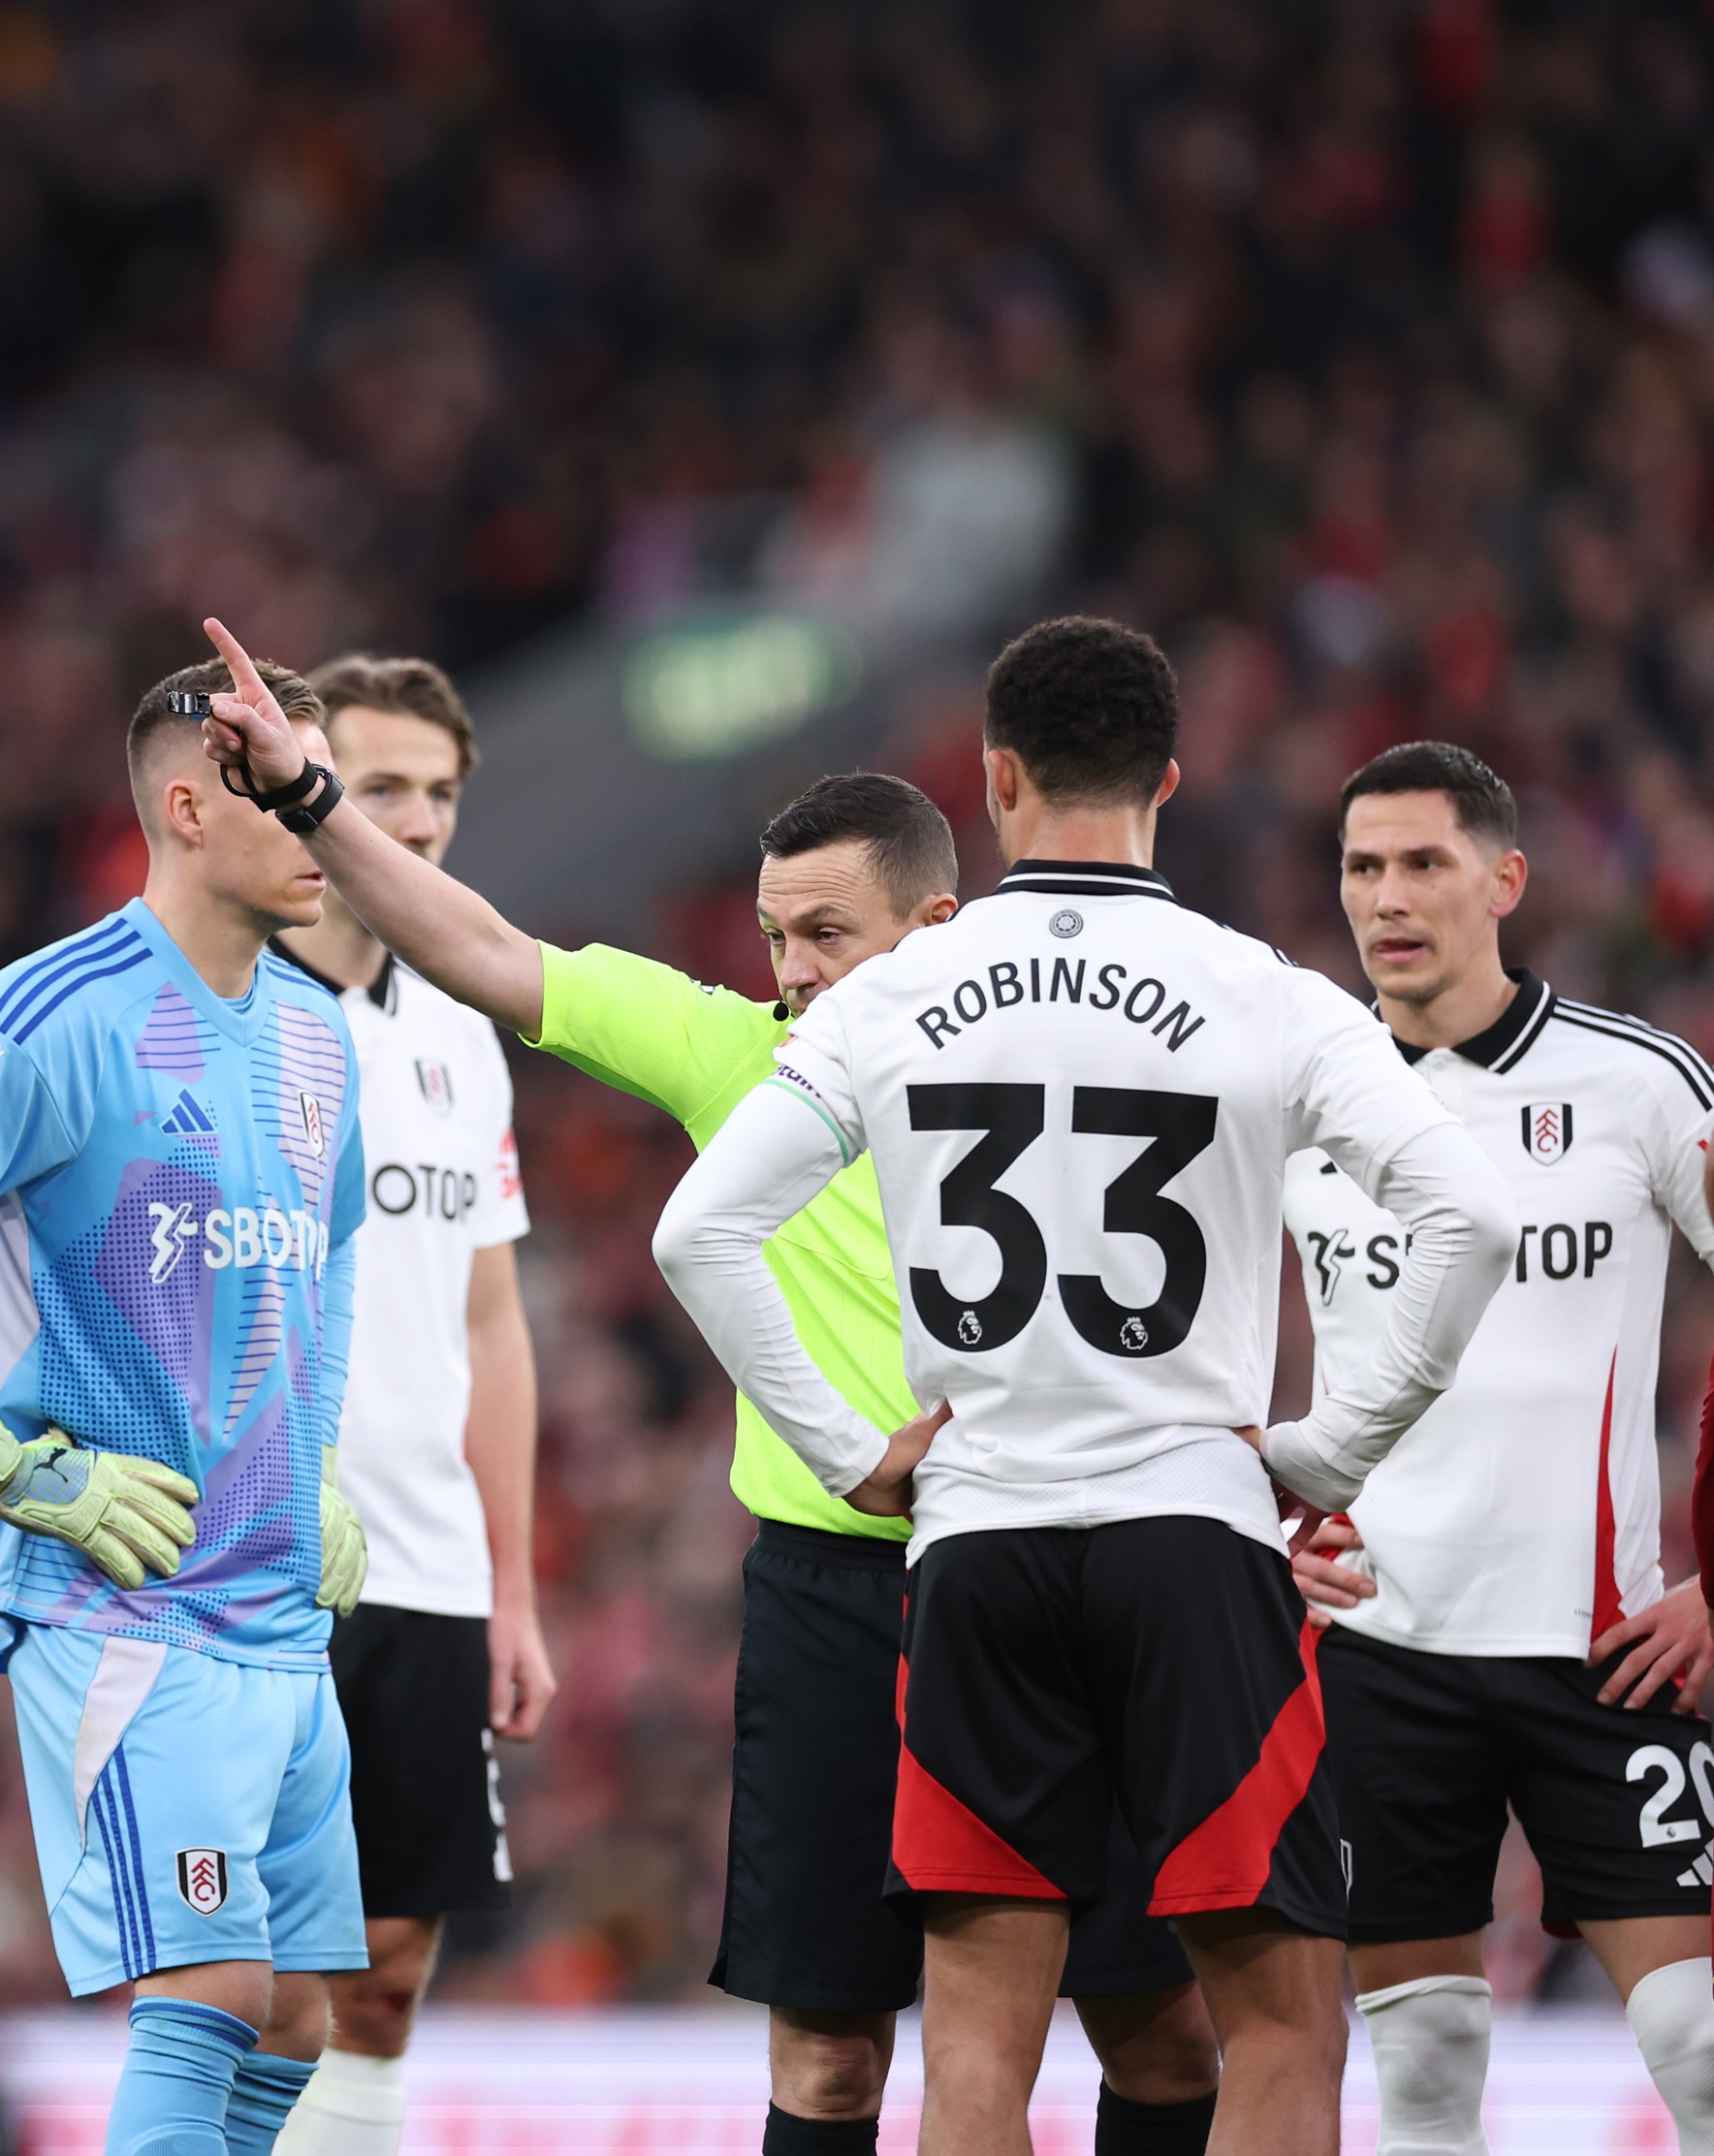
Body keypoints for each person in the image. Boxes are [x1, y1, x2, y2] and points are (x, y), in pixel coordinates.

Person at [199, 649, 1218, 2156]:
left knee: (1152, 2025)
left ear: (936, 928)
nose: (791, 972)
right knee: (824, 2060)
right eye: (771, 937)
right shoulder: (731, 1056)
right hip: (831, 1597)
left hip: (1054, 1568)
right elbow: (473, 942)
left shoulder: (1067, 1063)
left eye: (824, 935)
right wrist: (302, 790)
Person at [648, 615, 1519, 2156]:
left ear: (993, 782)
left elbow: (696, 1229)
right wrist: (1327, 1451)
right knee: (1274, 2030)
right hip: (1191, 1535)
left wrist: (851, 1449)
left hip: (975, 1539)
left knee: (977, 2045)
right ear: (1168, 780)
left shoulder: (890, 996)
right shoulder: (1266, 992)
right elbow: (1472, 1217)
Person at [0, 625, 370, 2156]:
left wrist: (316, 1466)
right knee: (208, 1991)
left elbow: (319, 1268)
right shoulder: (51, 1011)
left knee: (303, 2017)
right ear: (187, 807)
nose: (326, 819)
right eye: (286, 791)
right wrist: (3, 1465)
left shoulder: (321, 1040)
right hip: (124, 1602)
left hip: (274, 1609)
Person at [1278, 741, 1714, 2156]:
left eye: (1423, 863)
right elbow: (1192, 1346)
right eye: (1362, 867)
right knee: (1419, 2073)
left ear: (1503, 880)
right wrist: (1256, 1515)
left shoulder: (1640, 1082)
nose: (1387, 898)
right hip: (1377, 1647)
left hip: (1603, 1643)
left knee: (1698, 2050)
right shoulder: (1293, 1095)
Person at [260, 656, 550, 2156]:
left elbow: (487, 1327)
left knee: (381, 1976)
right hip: (250, 1564)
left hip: (426, 1569)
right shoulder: (219, 1009)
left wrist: (511, 1590)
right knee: (239, 1983)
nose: (418, 825)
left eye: (438, 794)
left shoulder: (460, 1034)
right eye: (379, 788)